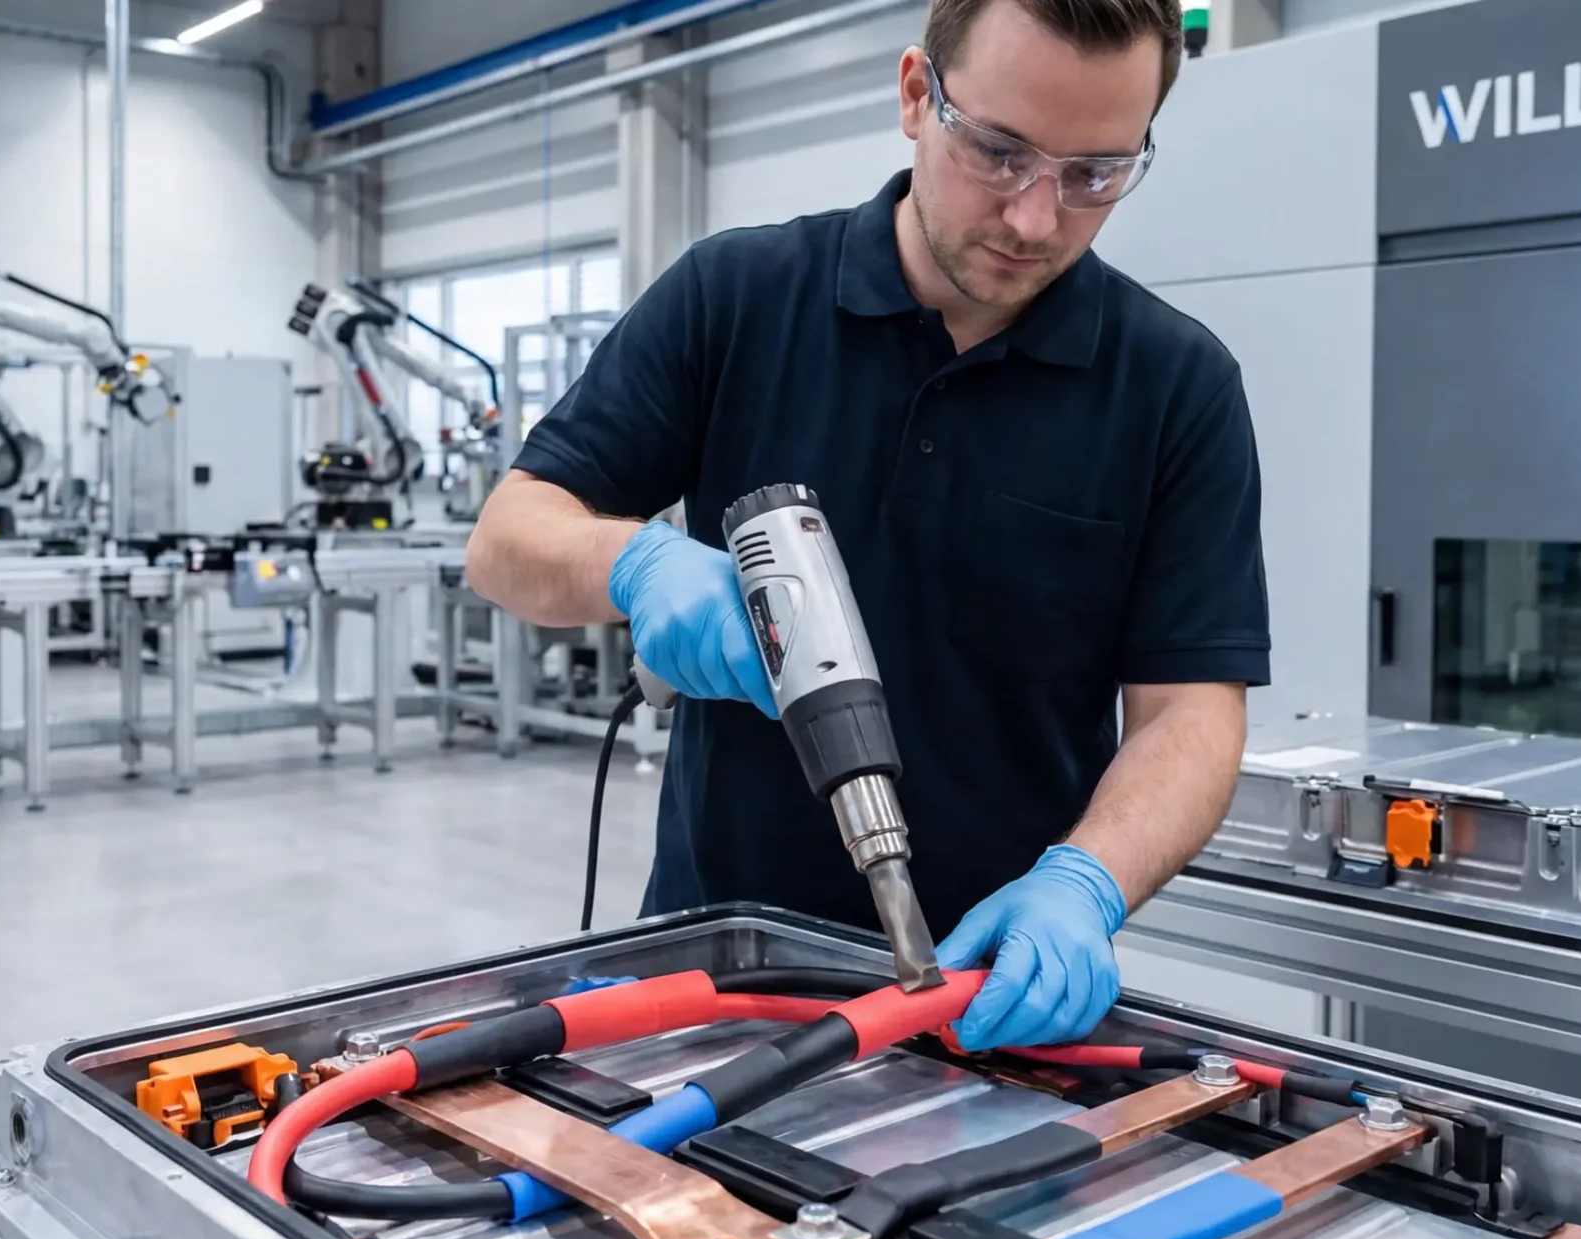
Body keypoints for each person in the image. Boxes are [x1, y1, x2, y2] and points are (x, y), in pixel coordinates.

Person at [464, 0, 1267, 1051]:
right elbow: (507, 536)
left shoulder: (1176, 386)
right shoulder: (737, 298)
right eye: (998, 151)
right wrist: (636, 563)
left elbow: (1188, 715)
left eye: (1094, 175)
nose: (1034, 218)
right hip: (718, 981)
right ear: (912, 97)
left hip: (987, 1003)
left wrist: (1086, 884)